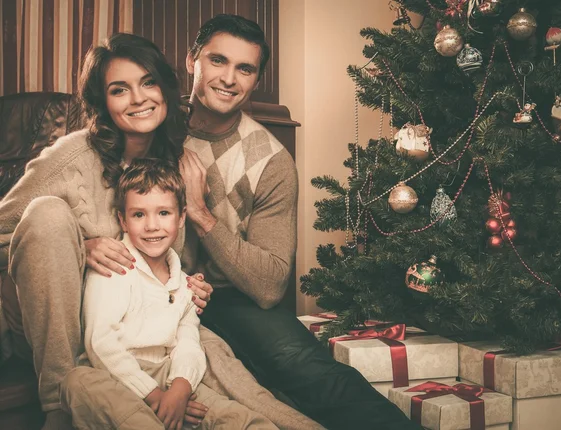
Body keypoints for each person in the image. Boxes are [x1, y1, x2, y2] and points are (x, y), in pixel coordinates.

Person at [0, 32, 320, 430]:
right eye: (120, 89)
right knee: (47, 214)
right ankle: (58, 406)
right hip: (72, 324)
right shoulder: (69, 156)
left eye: (148, 82)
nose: (138, 99)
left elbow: (173, 259)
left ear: (166, 90)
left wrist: (192, 282)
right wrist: (81, 246)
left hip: (149, 323)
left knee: (246, 395)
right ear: (103, 101)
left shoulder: (180, 162)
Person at [181, 14, 422, 430]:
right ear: (192, 60)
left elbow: (271, 283)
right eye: (218, 60)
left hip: (234, 295)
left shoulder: (271, 160)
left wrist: (202, 215)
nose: (229, 78)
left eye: (245, 68)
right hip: (153, 291)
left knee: (308, 370)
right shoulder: (149, 126)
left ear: (256, 79)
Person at [60, 159, 277, 430]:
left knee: (240, 419)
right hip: (117, 376)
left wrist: (179, 390)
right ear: (123, 221)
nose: (152, 226)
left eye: (163, 213)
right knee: (77, 382)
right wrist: (155, 397)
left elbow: (188, 343)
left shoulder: (185, 284)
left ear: (182, 217)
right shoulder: (113, 268)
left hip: (168, 374)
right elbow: (101, 345)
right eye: (139, 215)